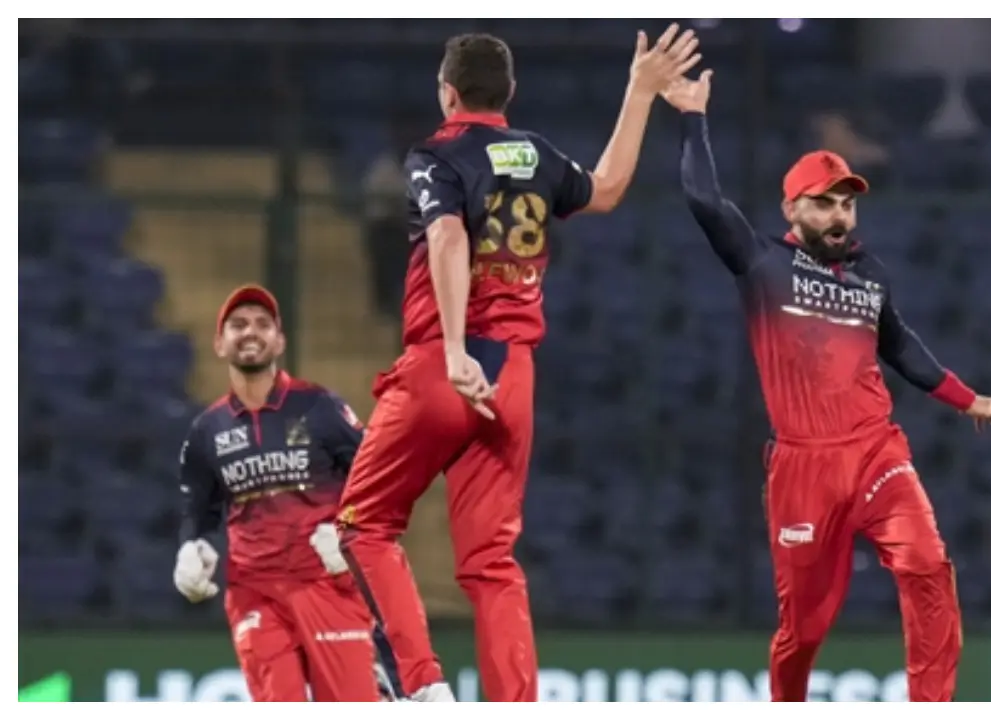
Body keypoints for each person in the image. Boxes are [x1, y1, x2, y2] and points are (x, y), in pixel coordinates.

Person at [331, 28, 702, 702]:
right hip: (515, 377)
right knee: (492, 564)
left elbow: (445, 236)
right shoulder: (535, 154)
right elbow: (610, 188)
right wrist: (640, 90)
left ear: (447, 93)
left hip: (446, 367)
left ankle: (422, 686)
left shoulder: (434, 155)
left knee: (363, 525)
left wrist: (450, 348)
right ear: (510, 94)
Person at [662, 70, 991, 702]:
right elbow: (704, 201)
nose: (839, 215)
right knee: (803, 630)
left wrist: (972, 399)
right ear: (792, 209)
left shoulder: (868, 273)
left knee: (927, 564)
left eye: (847, 202)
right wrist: (693, 117)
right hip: (803, 467)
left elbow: (900, 345)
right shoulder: (762, 263)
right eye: (825, 202)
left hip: (876, 452)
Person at [172, 284, 390, 702]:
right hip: (254, 591)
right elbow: (197, 509)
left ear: (280, 340)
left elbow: (378, 477)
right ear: (220, 344)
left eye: (262, 324)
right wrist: (190, 547)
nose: (250, 332)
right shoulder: (206, 431)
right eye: (238, 325)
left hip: (325, 583)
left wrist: (349, 533)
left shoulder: (320, 407)